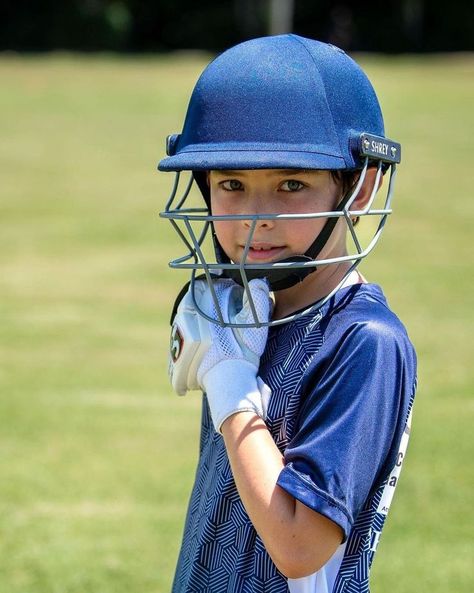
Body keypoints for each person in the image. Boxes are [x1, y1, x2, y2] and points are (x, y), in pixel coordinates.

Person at [158, 34, 417, 593]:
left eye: (292, 185)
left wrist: (228, 380)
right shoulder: (253, 313)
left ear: (361, 185)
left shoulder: (364, 341)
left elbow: (299, 548)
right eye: (231, 185)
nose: (257, 218)